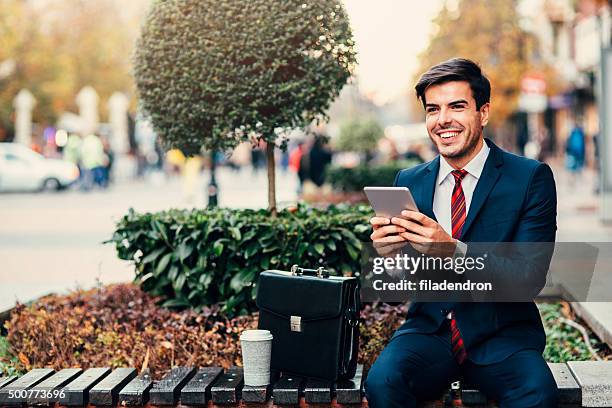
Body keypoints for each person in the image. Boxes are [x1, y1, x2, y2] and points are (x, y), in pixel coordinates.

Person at [365, 58, 557, 407]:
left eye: (457, 106)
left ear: (483, 113)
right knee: (382, 382)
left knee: (538, 392)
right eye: (433, 109)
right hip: (430, 332)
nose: (443, 120)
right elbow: (399, 287)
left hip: (504, 334)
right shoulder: (408, 181)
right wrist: (389, 258)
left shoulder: (530, 178)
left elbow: (529, 278)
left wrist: (451, 250)